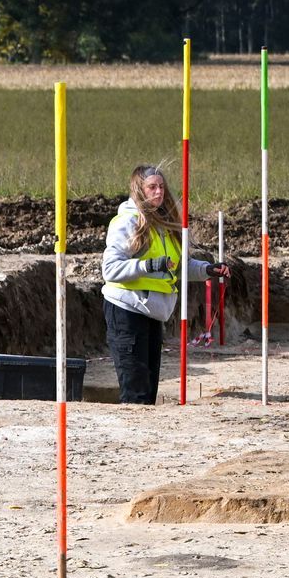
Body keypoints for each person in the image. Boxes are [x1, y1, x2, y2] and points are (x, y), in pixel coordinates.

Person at [100, 165, 227, 404]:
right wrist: (147, 266)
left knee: (148, 389)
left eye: (161, 187)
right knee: (135, 391)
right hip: (127, 311)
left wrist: (207, 270)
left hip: (155, 313)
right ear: (139, 189)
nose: (159, 192)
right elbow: (110, 269)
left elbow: (177, 266)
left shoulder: (165, 225)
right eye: (152, 187)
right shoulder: (127, 222)